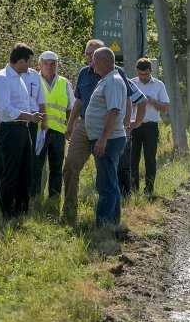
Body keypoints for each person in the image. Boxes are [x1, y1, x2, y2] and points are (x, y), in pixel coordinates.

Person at [62, 39, 146, 223]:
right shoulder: (85, 73)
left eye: (94, 54)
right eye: (87, 54)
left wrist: (129, 125)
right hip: (84, 126)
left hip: (106, 130)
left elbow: (132, 100)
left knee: (107, 176)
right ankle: (69, 212)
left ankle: (107, 223)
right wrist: (70, 124)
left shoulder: (116, 76)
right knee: (70, 165)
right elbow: (79, 101)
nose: (90, 58)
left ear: (103, 57)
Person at [0, 43, 45, 218]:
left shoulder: (19, 78)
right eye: (29, 62)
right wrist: (30, 117)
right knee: (10, 172)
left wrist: (30, 117)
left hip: (22, 130)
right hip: (10, 130)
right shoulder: (2, 78)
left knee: (25, 171)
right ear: (21, 61)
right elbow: (5, 110)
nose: (30, 66)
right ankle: (7, 213)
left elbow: (22, 105)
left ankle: (22, 210)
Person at [86, 47, 127, 226]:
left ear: (103, 62)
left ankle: (103, 225)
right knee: (110, 182)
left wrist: (103, 138)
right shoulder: (106, 80)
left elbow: (114, 111)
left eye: (94, 60)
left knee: (105, 185)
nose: (91, 63)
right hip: (106, 139)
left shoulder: (113, 82)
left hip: (108, 141)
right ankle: (113, 223)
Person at [31, 51, 74, 198]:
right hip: (38, 131)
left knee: (56, 169)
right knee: (35, 167)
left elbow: (70, 109)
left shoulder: (64, 83)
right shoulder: (33, 80)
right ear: (39, 63)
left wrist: (69, 128)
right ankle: (34, 198)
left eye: (52, 63)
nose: (49, 66)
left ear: (57, 64)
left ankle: (54, 199)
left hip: (58, 132)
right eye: (45, 63)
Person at [130, 58, 169, 195]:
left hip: (151, 127)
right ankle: (133, 189)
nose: (143, 77)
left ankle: (149, 189)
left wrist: (151, 101)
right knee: (132, 159)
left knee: (150, 159)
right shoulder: (131, 83)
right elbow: (125, 104)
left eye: (146, 74)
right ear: (137, 71)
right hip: (134, 126)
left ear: (151, 71)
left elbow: (164, 107)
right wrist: (137, 102)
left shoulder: (159, 85)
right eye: (140, 74)